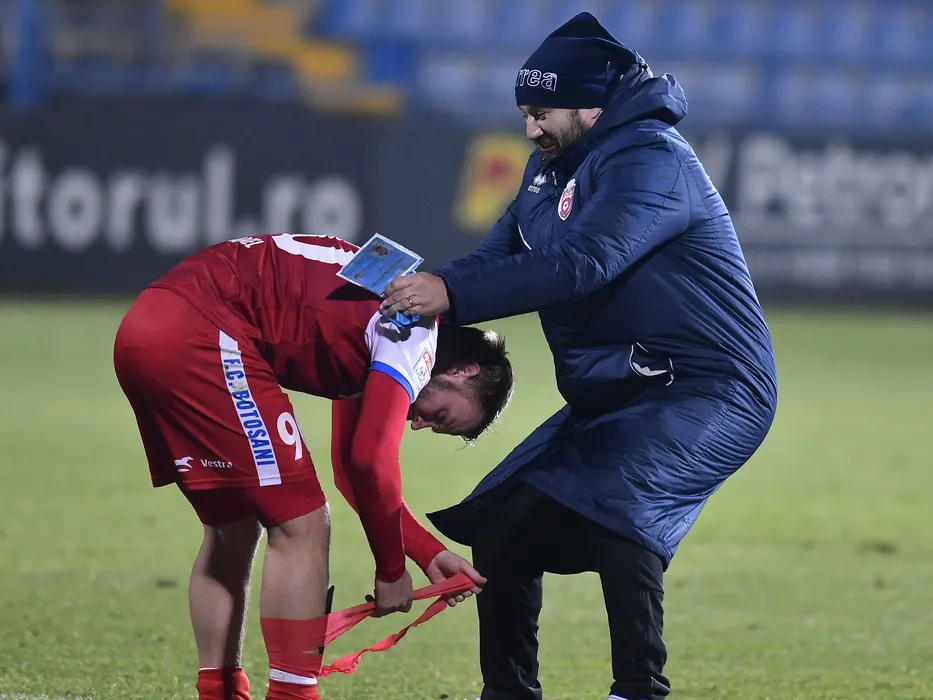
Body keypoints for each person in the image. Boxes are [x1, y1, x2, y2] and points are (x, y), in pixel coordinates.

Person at [381, 12, 778, 700]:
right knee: (498, 526)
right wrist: (424, 298)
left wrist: (451, 292)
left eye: (540, 113)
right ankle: (508, 692)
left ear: (590, 104)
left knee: (618, 505)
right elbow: (495, 259)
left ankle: (638, 688)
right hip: (620, 388)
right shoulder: (549, 168)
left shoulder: (652, 158)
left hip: (709, 388)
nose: (529, 129)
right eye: (524, 115)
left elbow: (587, 261)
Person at [113, 232, 514, 700]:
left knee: (232, 528)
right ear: (464, 370)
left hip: (146, 324)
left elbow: (349, 467)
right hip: (206, 332)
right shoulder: (417, 330)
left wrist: (426, 553)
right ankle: (294, 695)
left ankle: (220, 691)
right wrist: (390, 571)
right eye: (440, 416)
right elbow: (369, 459)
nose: (419, 422)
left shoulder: (391, 306)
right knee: (303, 524)